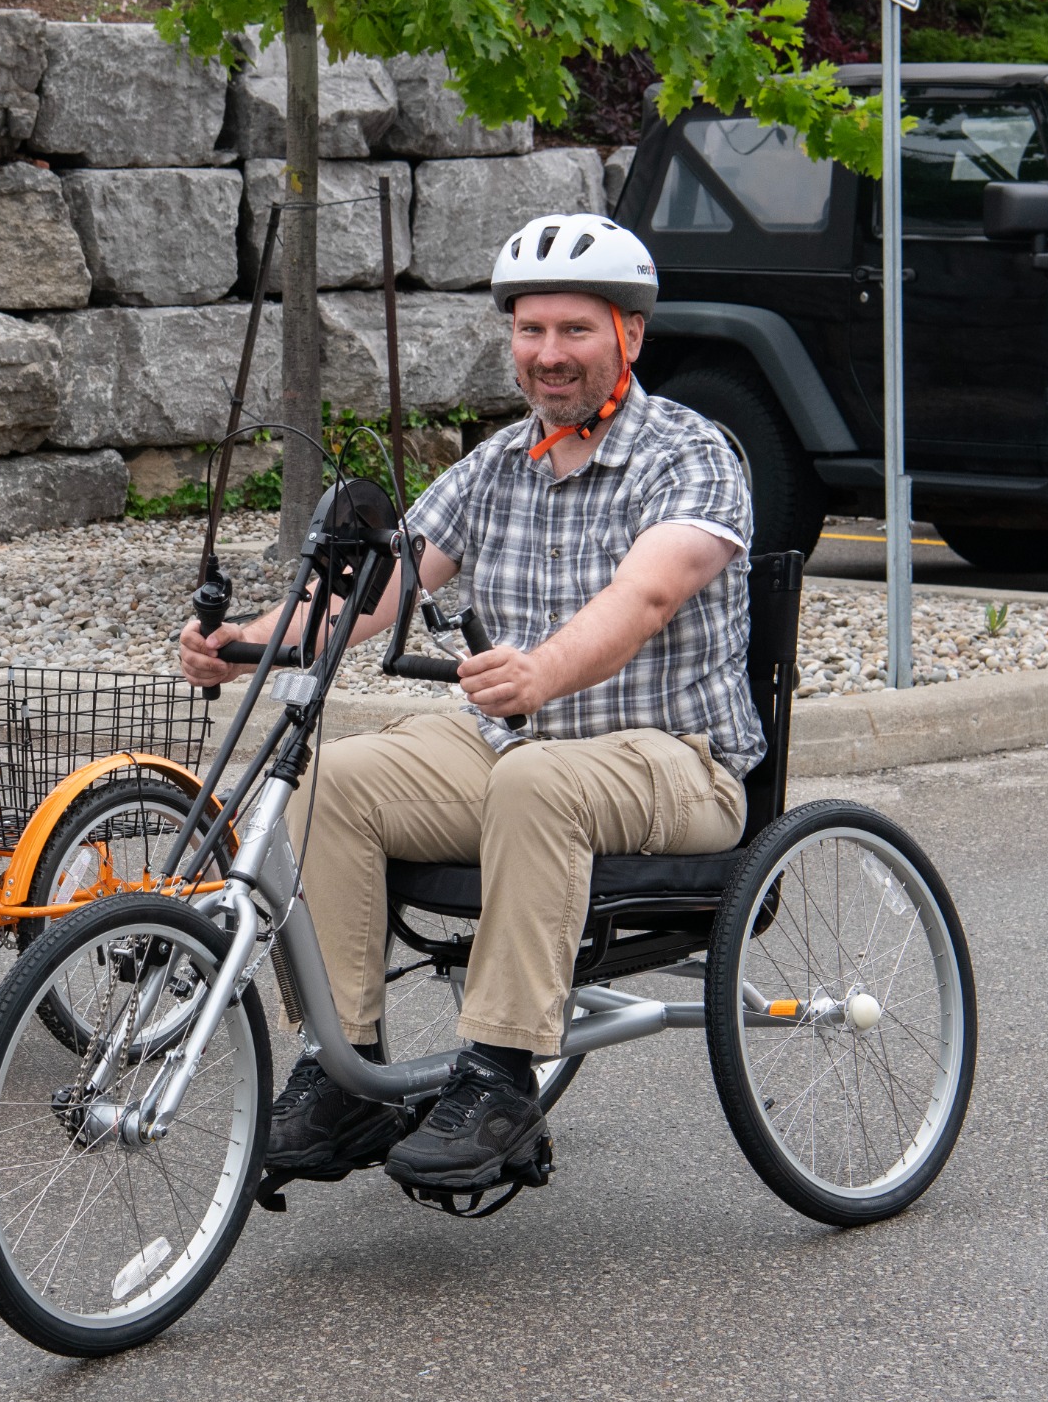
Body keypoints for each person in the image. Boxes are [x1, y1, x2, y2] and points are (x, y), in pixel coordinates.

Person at [178, 213, 763, 1193]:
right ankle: (345, 1069)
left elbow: (647, 595)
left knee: (537, 779)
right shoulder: (496, 465)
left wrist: (542, 672)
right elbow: (374, 592)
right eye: (530, 330)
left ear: (629, 333)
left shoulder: (688, 454)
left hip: (673, 760)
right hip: (513, 752)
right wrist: (244, 645)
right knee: (331, 777)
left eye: (574, 329)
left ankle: (497, 1076)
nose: (548, 353)